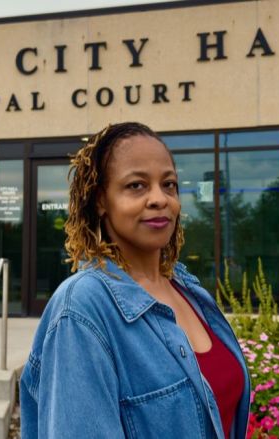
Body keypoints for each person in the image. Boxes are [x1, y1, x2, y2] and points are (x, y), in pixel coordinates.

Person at [20, 122, 251, 439]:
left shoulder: (188, 289)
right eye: (136, 186)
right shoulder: (83, 308)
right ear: (101, 200)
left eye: (168, 185)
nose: (160, 199)